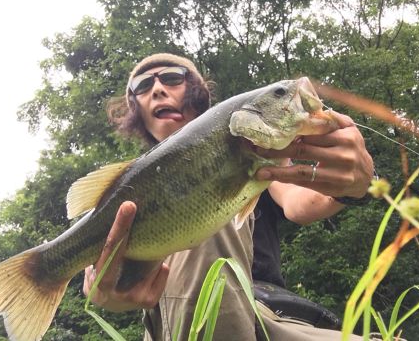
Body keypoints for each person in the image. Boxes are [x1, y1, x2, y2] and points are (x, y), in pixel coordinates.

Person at [83, 53, 374, 340]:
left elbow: (301, 203)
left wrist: (354, 184)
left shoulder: (257, 150)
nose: (157, 89)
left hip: (266, 315)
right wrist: (112, 293)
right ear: (137, 111)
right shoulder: (120, 193)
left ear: (196, 92)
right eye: (143, 86)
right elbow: (109, 283)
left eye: (171, 78)